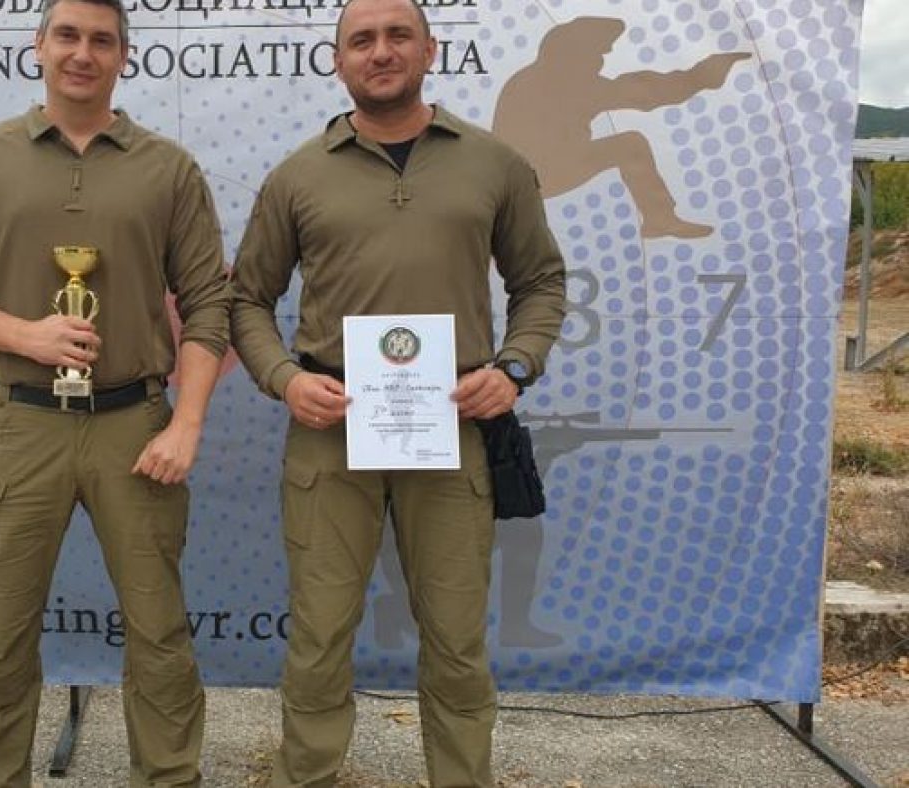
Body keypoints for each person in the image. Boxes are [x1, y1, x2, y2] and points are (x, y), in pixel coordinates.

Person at [229, 0, 566, 784]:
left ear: (429, 50)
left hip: (451, 425)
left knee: (455, 637)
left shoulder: (493, 165)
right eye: (362, 40)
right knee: (320, 633)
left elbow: (542, 283)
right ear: (338, 59)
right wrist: (285, 379)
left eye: (397, 35)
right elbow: (247, 300)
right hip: (331, 428)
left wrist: (513, 369)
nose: (380, 51)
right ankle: (305, 775)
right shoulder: (298, 176)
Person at [0, 0, 230, 784]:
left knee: (160, 636)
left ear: (124, 56)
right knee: (1, 641)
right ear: (39, 47)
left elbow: (210, 304)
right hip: (19, 424)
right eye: (68, 36)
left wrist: (186, 423)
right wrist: (27, 336)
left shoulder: (168, 169)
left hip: (136, 425)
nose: (84, 53)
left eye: (102, 40)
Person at [492, 16, 749, 240]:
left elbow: (639, 90)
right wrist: (700, 77)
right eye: (598, 54)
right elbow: (646, 92)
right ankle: (660, 219)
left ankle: (660, 220)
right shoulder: (569, 82)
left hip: (512, 181)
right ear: (575, 54)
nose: (600, 62)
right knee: (629, 145)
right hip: (535, 177)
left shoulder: (529, 77)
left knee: (627, 144)